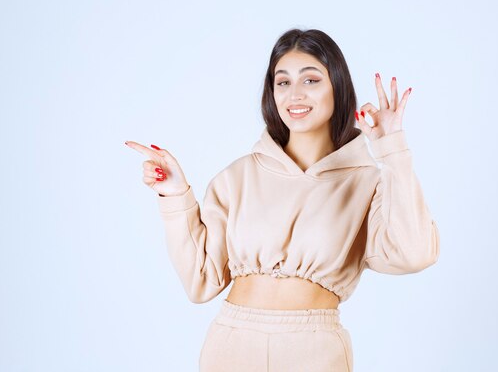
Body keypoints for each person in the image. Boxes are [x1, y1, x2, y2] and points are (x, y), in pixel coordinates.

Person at [125, 28, 440, 371]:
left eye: (311, 80)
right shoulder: (238, 176)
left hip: (314, 351)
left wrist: (392, 149)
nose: (294, 95)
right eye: (283, 82)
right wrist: (175, 196)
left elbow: (414, 254)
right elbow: (200, 282)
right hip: (231, 345)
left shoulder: (366, 182)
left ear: (338, 87)